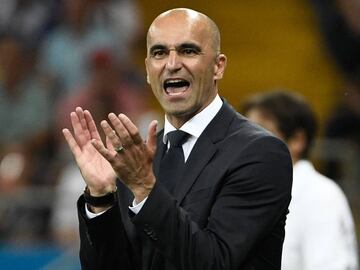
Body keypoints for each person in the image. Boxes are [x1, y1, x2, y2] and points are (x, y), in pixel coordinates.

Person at [62, 8, 292, 270]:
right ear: (148, 70)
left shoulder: (260, 153)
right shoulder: (139, 158)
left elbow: (213, 263)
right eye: (159, 53)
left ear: (218, 66)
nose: (172, 64)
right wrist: (101, 198)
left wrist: (146, 189)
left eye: (188, 51)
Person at [241, 90, 359, 270]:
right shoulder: (247, 191)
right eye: (245, 132)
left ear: (297, 140)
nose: (247, 142)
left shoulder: (320, 196)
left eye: (259, 131)